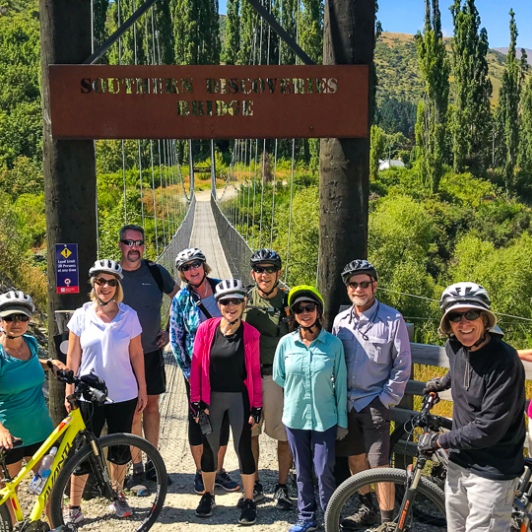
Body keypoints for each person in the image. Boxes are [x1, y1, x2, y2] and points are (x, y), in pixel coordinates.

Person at [420, 282, 525, 531]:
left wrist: (439, 441)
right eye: (455, 316)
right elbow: (459, 369)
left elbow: (487, 429)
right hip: (459, 462)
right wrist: (440, 383)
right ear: (448, 323)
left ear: (485, 318)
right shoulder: (456, 346)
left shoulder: (504, 361)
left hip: (492, 470)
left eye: (472, 313)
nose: (464, 323)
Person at [64, 259, 148, 523]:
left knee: (120, 449)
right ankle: (74, 507)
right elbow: (73, 354)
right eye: (101, 280)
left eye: (112, 282)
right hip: (88, 394)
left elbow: (136, 353)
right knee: (82, 451)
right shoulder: (81, 315)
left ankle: (117, 495)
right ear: (94, 284)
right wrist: (70, 387)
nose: (106, 286)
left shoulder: (129, 315)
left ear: (117, 286)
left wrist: (143, 387)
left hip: (123, 393)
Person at [332, 259, 411, 530]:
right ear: (348, 289)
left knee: (380, 463)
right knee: (355, 457)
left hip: (374, 400)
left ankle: (387, 521)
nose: (358, 289)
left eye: (364, 283)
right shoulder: (340, 321)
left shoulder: (392, 319)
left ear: (374, 285)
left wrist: (386, 399)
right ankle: (367, 508)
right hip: (347, 403)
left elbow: (402, 365)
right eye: (353, 284)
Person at [273, 285, 348, 532]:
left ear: (318, 311)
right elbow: (280, 377)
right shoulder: (286, 344)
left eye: (309, 308)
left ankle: (330, 518)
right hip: (294, 418)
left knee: (324, 471)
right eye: (299, 309)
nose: (305, 313)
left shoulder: (333, 345)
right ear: (292, 315)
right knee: (302, 472)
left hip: (325, 418)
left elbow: (341, 385)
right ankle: (306, 518)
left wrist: (342, 422)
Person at [190, 279, 262, 526]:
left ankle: (249, 499)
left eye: (236, 301)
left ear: (243, 303)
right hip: (212, 399)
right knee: (209, 448)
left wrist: (257, 405)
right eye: (225, 301)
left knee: (243, 448)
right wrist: (196, 401)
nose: (230, 306)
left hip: (239, 399)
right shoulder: (206, 330)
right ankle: (209, 496)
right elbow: (197, 367)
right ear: (218, 303)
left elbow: (253, 371)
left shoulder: (251, 334)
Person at [170, 247, 238, 494]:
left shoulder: (223, 289)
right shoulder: (180, 300)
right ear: (182, 273)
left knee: (223, 420)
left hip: (225, 368)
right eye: (186, 267)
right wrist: (188, 373)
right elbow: (176, 338)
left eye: (196, 264)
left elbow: (239, 321)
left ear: (204, 265)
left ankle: (218, 471)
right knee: (199, 420)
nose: (192, 270)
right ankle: (201, 471)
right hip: (196, 372)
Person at [0, 290, 67, 524]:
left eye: (21, 318)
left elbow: (28, 367)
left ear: (29, 320)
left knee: (48, 488)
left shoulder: (30, 343)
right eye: (9, 318)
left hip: (41, 432)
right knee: (9, 497)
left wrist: (50, 363)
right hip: (11, 436)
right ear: (1, 321)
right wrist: (1, 430)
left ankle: (52, 527)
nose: (16, 323)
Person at [118, 224, 178, 485]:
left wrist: (168, 331)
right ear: (120, 245)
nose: (134, 248)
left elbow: (179, 297)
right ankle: (138, 467)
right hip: (121, 357)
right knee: (133, 412)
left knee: (152, 408)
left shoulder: (155, 272)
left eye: (139, 243)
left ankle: (153, 464)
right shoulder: (112, 274)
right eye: (129, 242)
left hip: (151, 352)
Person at [242, 248, 293, 509]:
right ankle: (256, 483)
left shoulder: (289, 301)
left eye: (270, 269)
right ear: (252, 273)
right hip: (249, 377)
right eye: (260, 269)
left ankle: (283, 485)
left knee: (283, 434)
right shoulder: (241, 299)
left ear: (278, 273)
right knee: (250, 433)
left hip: (277, 377)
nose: (265, 274)